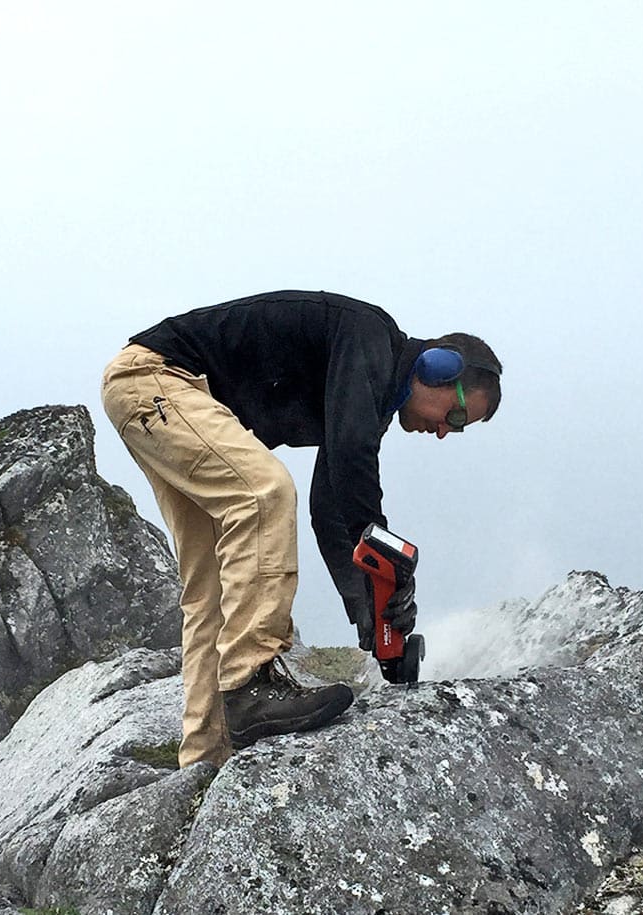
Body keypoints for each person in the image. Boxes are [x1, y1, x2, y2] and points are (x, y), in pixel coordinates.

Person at [100, 290, 502, 767]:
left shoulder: (366, 397)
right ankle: (250, 684)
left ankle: (207, 756)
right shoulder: (369, 335)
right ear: (438, 367)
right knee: (263, 492)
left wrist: (370, 611)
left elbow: (331, 510)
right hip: (159, 381)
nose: (443, 432)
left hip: (156, 397)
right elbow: (353, 460)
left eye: (456, 429)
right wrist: (386, 561)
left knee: (211, 588)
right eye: (455, 417)